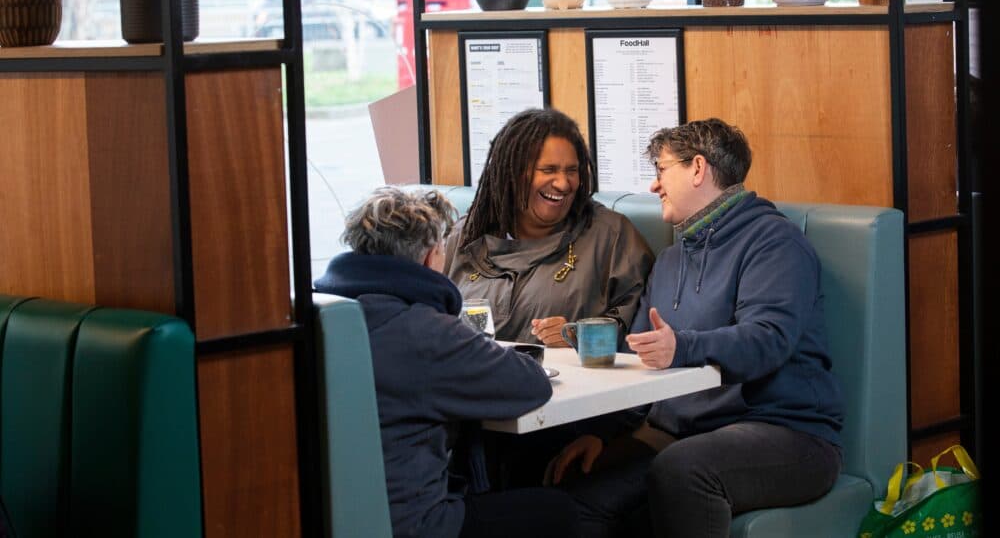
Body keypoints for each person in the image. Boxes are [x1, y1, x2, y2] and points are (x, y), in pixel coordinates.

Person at [550, 118, 845, 538]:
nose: (654, 186)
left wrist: (681, 347)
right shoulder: (671, 260)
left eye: (661, 170)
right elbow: (639, 357)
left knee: (683, 469)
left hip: (788, 433)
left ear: (698, 169)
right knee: (576, 498)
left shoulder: (774, 243)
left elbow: (768, 339)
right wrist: (601, 433)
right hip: (682, 434)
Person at [313, 186, 580, 538]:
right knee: (558, 511)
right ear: (430, 257)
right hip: (413, 525)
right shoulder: (424, 331)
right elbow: (530, 384)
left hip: (322, 518)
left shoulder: (319, 316)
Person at [444, 107, 655, 346]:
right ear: (511, 174)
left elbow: (640, 332)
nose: (563, 184)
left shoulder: (611, 237)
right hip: (470, 378)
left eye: (572, 171)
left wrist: (579, 337)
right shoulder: (466, 237)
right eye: (549, 170)